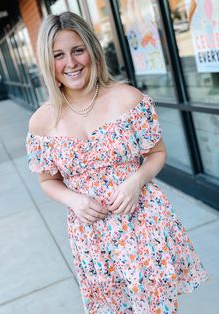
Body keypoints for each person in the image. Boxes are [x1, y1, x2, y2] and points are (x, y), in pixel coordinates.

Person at [26, 11, 208, 314]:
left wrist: (135, 182)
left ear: (92, 50)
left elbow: (156, 153)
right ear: (47, 62)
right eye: (58, 55)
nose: (70, 63)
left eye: (78, 50)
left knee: (156, 308)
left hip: (142, 221)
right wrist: (73, 199)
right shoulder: (41, 122)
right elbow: (47, 181)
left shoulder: (128, 99)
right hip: (92, 236)